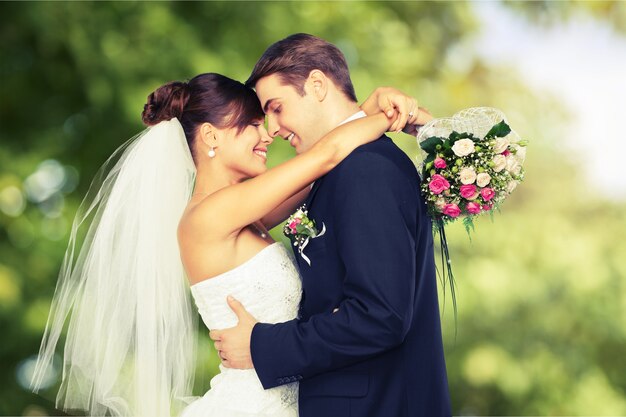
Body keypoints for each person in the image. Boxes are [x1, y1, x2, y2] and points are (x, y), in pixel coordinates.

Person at [29, 70, 423, 417]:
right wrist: (384, 116)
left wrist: (362, 110)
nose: (268, 133)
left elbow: (318, 174)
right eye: (252, 123)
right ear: (211, 135)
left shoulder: (244, 215)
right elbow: (325, 155)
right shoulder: (209, 215)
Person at [211, 33, 452, 417]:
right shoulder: (336, 170)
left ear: (317, 85)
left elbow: (380, 316)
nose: (271, 129)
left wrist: (262, 345)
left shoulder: (366, 170)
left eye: (276, 107)